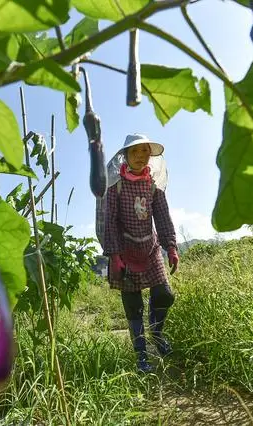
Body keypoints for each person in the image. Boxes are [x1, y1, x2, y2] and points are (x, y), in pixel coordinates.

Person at [104, 133, 179, 373]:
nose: (140, 157)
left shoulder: (153, 185)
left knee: (165, 294)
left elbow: (163, 216)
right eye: (135, 152)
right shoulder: (116, 186)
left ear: (150, 156)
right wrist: (115, 255)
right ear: (125, 156)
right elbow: (110, 222)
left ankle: (157, 335)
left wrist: (171, 246)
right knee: (133, 305)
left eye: (145, 152)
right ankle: (142, 357)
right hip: (125, 251)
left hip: (150, 248)